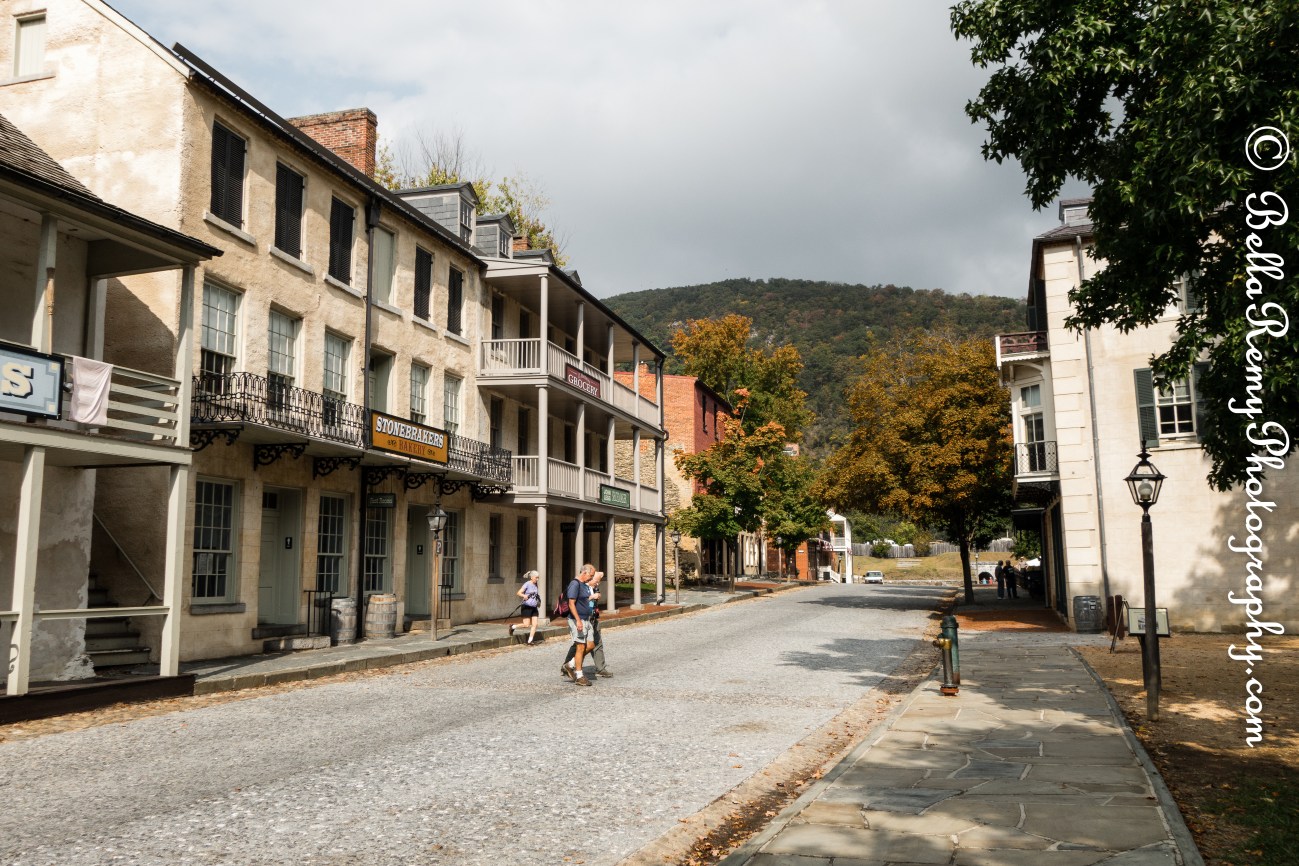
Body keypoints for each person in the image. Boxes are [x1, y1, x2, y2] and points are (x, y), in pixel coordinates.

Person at [563, 568, 612, 678]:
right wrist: (578, 620)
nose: (597, 583)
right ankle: (572, 669)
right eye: (595, 580)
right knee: (579, 646)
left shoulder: (591, 588)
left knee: (594, 644)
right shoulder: (578, 585)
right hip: (581, 619)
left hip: (592, 618)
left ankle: (599, 668)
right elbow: (574, 603)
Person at [561, 563, 596, 686]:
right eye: (591, 575)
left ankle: (570, 664)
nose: (591, 578)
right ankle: (579, 675)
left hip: (586, 619)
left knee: (591, 645)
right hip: (578, 620)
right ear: (584, 572)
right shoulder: (574, 584)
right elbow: (571, 603)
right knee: (580, 647)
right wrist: (578, 621)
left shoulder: (584, 585)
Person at [510, 570, 541, 644]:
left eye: (538, 578)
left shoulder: (536, 585)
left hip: (534, 607)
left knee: (535, 624)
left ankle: (530, 640)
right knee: (526, 625)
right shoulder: (527, 584)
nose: (537, 579)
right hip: (526, 606)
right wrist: (524, 595)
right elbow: (518, 593)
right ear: (532, 577)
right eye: (536, 577)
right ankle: (513, 627)